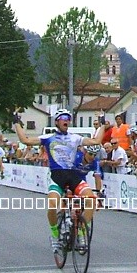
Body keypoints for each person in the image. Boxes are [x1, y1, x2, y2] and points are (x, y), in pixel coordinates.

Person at [13, 108, 105, 253]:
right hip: (56, 176)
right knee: (52, 204)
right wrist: (16, 122)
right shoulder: (48, 137)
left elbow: (97, 141)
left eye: (68, 118)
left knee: (91, 200)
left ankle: (81, 232)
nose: (66, 120)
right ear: (57, 121)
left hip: (73, 175)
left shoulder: (76, 138)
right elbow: (25, 140)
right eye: (63, 118)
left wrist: (102, 123)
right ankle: (55, 235)